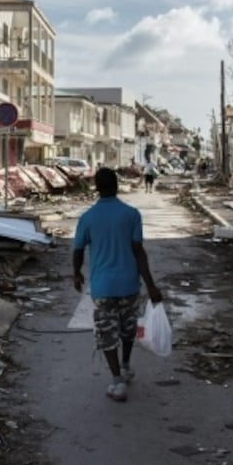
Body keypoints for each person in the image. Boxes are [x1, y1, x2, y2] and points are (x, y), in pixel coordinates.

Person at [72, 168, 163, 402]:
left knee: (106, 333)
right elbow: (139, 252)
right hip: (129, 284)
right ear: (117, 185)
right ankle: (126, 365)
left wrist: (76, 274)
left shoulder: (88, 217)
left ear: (97, 188)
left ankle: (116, 381)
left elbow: (78, 250)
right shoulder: (131, 214)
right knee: (127, 328)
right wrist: (151, 285)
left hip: (102, 287)